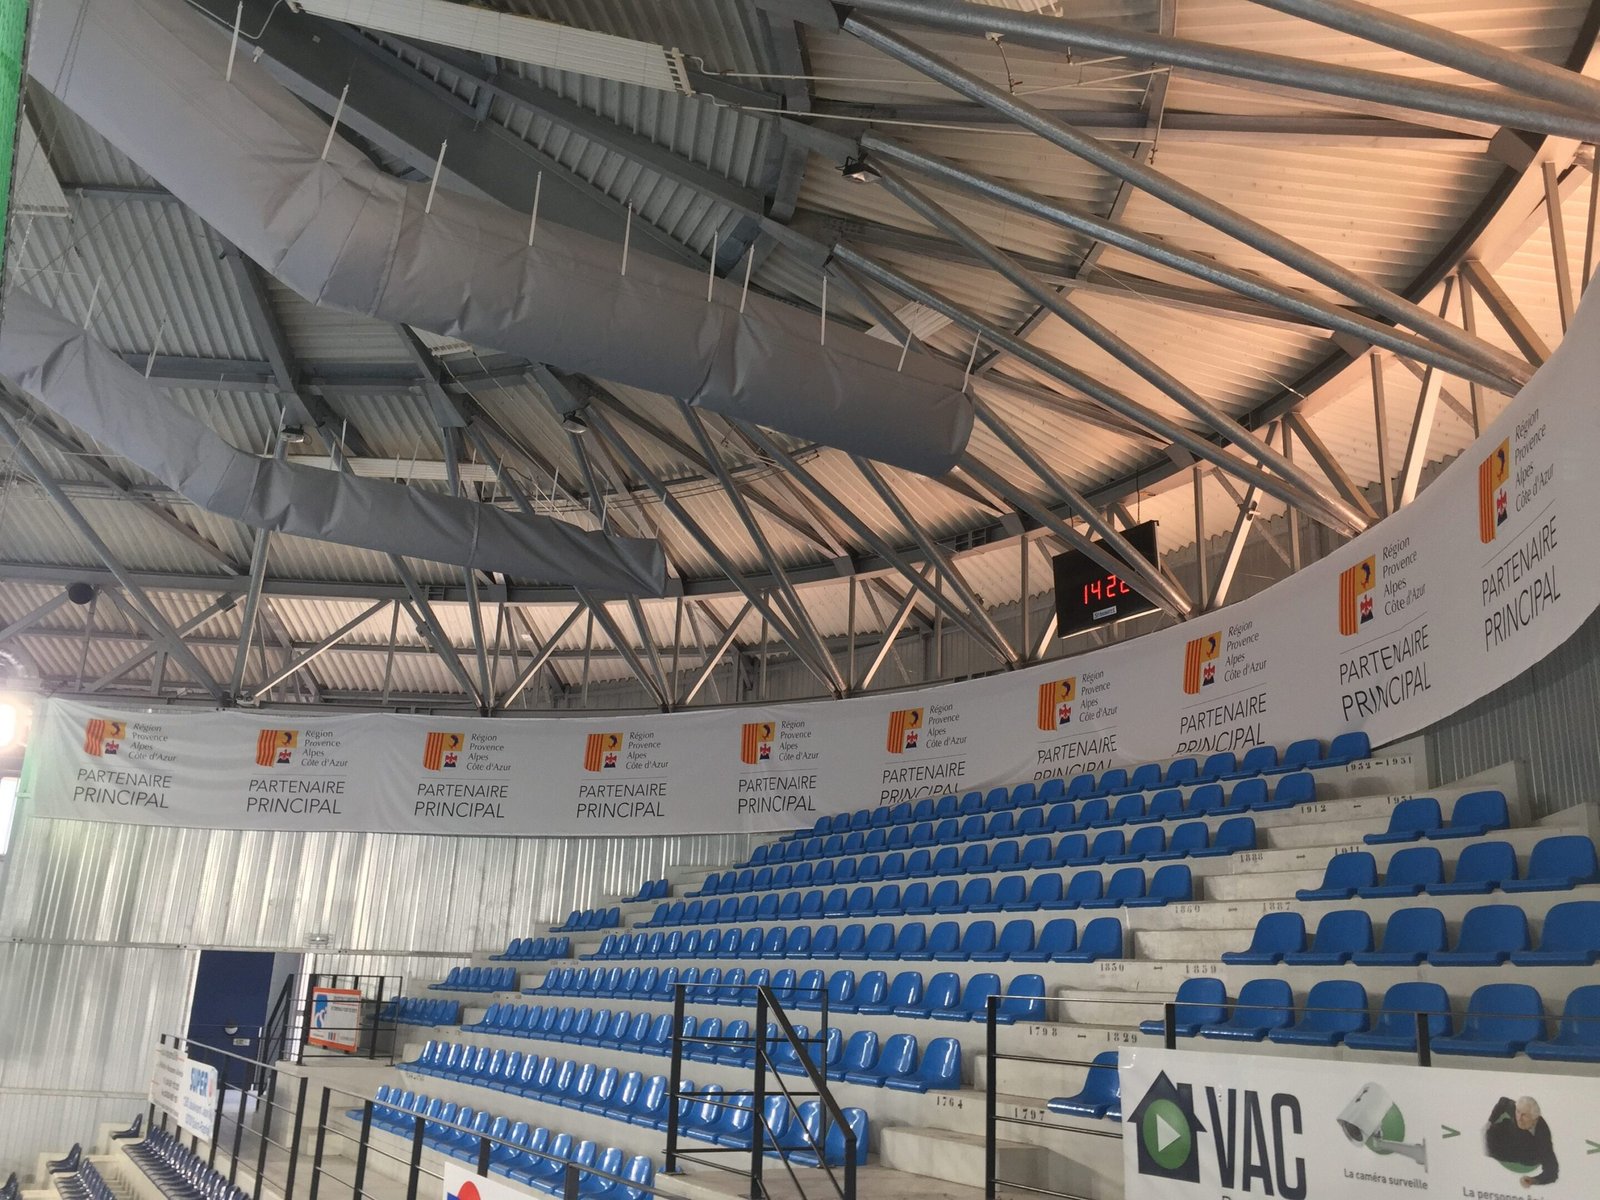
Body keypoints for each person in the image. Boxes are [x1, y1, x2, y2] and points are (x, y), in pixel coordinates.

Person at [1484, 1096, 1558, 1188]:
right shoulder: (1517, 1109)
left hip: (1524, 1154)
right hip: (1507, 1134)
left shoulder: (1542, 1135)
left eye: (1524, 1115)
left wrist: (1533, 1180)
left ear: (1534, 1118)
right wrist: (1490, 1122)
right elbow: (1503, 1101)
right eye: (1518, 1112)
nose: (1519, 1118)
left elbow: (1552, 1171)